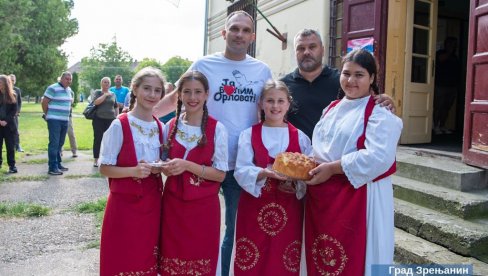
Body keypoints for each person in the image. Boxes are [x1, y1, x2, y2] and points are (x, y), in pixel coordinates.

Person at [153, 11, 272, 276]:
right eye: (234, 29)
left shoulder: (261, 70)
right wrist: (140, 117)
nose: (239, 34)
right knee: (190, 226)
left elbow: (272, 109)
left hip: (241, 164)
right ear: (223, 33)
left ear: (252, 37)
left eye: (245, 30)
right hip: (201, 160)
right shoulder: (204, 64)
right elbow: (177, 98)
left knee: (235, 228)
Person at [304, 49, 403, 276]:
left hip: (360, 198)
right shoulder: (330, 109)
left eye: (359, 75)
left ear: (372, 78)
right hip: (323, 199)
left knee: (357, 259)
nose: (351, 80)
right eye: (346, 73)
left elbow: (378, 157)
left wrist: (332, 168)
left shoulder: (381, 115)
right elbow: (319, 147)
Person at [233, 80, 311, 275]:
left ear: (288, 104)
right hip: (254, 205)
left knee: (283, 259)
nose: (275, 106)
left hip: (289, 207)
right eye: (270, 101)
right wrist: (263, 173)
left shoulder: (301, 137)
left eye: (280, 101)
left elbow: (308, 171)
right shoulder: (248, 135)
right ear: (261, 103)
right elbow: (241, 169)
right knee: (252, 259)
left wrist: (296, 185)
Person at [98, 67, 166, 276]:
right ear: (134, 89)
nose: (152, 95)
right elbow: (104, 168)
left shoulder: (160, 127)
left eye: (157, 90)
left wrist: (164, 166)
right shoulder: (120, 125)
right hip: (123, 205)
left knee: (145, 257)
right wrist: (133, 171)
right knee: (122, 256)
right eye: (147, 88)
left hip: (152, 203)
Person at [159, 71, 228, 275]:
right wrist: (165, 167)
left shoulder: (217, 129)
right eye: (187, 92)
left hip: (203, 209)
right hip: (172, 206)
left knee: (201, 263)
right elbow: (162, 160)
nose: (192, 97)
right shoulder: (170, 126)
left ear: (207, 94)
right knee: (171, 262)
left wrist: (187, 165)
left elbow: (220, 174)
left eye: (198, 92)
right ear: (179, 95)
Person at [281, 29, 395, 139]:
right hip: (294, 156)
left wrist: (385, 99)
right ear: (295, 52)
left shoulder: (344, 81)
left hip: (336, 154)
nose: (306, 52)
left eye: (312, 47)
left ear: (323, 50)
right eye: (300, 48)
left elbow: (368, 102)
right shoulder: (283, 86)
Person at [42, 72, 73, 175]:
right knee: (54, 143)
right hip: (54, 119)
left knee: (60, 143)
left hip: (65, 120)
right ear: (61, 79)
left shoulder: (69, 90)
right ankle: (52, 167)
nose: (68, 81)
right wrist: (47, 114)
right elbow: (44, 102)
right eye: (66, 79)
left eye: (70, 79)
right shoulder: (52, 88)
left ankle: (58, 164)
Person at [433, 37, 461, 135]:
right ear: (446, 44)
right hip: (440, 85)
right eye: (451, 44)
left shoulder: (455, 57)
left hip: (452, 86)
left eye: (454, 44)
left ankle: (442, 126)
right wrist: (449, 51)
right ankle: (435, 126)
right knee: (438, 107)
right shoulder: (440, 53)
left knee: (447, 108)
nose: (453, 46)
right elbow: (440, 60)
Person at [92, 77, 118, 167]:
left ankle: (108, 159)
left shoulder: (113, 94)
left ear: (110, 84)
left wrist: (116, 117)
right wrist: (105, 95)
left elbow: (116, 106)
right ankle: (96, 159)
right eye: (104, 82)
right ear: (101, 83)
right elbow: (96, 102)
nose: (106, 84)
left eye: (108, 82)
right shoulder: (97, 92)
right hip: (99, 119)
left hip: (110, 120)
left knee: (110, 140)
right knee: (98, 139)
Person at [0, 75, 19, 173]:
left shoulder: (13, 95)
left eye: (0, 82)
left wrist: (6, 121)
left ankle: (12, 166)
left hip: (9, 125)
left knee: (10, 147)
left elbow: (14, 110)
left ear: (5, 83)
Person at [8, 74, 23, 153]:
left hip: (15, 114)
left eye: (13, 80)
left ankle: (17, 145)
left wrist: (18, 111)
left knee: (15, 130)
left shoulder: (17, 90)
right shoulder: (4, 89)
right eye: (10, 80)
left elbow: (19, 102)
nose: (12, 81)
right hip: (6, 114)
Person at [66, 91, 78, 158]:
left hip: (68, 115)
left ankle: (74, 151)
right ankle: (59, 151)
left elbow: (71, 102)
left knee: (71, 133)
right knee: (60, 134)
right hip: (59, 115)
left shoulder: (71, 92)